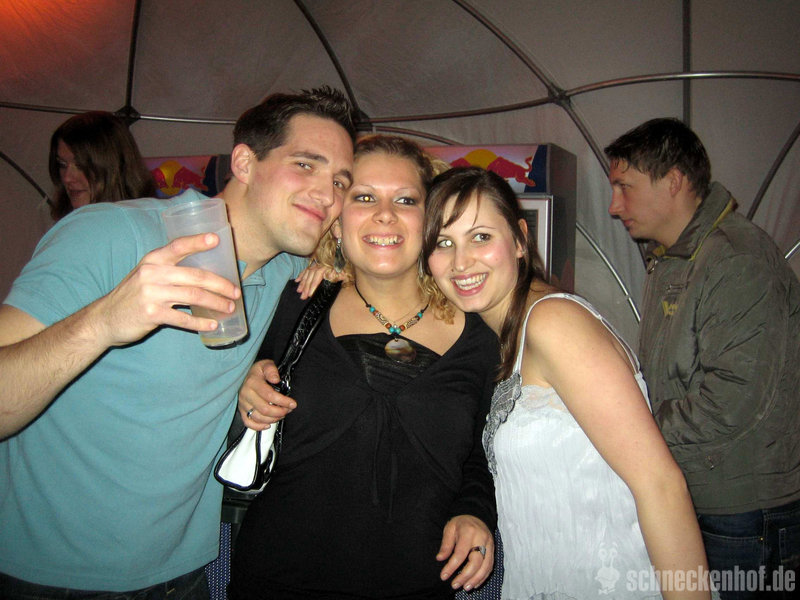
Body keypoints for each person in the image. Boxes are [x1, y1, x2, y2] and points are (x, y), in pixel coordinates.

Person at [0, 87, 356, 599]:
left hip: (181, 574)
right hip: (49, 576)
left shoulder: (289, 269)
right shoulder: (111, 233)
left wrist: (338, 264)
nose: (327, 194)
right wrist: (104, 321)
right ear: (244, 163)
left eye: (340, 181)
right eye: (305, 165)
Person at [423, 166, 711, 599]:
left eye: (480, 237)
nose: (460, 262)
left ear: (520, 240)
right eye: (444, 243)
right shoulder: (504, 336)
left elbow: (660, 484)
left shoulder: (553, 322)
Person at [229, 136, 498, 599]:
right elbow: (204, 406)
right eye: (365, 197)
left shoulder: (480, 334)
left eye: (406, 200)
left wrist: (475, 512)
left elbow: (483, 452)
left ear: (430, 221)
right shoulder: (292, 304)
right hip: (278, 581)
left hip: (419, 583)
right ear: (337, 221)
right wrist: (242, 389)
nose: (385, 214)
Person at [605, 118, 800, 598]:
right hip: (699, 492)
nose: (614, 206)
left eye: (625, 187)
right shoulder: (673, 258)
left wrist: (633, 427)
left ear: (673, 181)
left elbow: (731, 400)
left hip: (740, 510)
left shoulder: (736, 260)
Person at [48, 110, 157, 220]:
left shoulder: (139, 222)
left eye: (80, 165)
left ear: (112, 167)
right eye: (62, 164)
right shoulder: (70, 222)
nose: (67, 178)